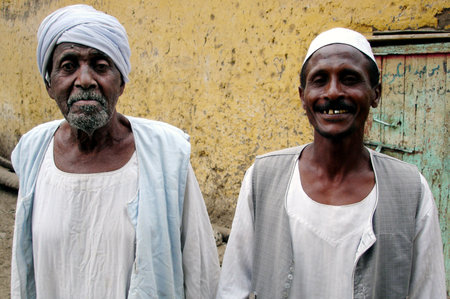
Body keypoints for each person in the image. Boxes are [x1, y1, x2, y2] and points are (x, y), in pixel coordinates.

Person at [216, 27, 446, 299]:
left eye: (350, 79)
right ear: (303, 96)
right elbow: (233, 288)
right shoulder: (263, 179)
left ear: (375, 93)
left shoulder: (409, 190)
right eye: (320, 80)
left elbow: (428, 291)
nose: (333, 92)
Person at [11, 4, 219, 299]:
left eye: (100, 65)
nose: (85, 80)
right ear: (49, 84)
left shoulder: (165, 155)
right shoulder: (33, 153)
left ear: (121, 82)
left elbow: (201, 273)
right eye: (69, 66)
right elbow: (24, 268)